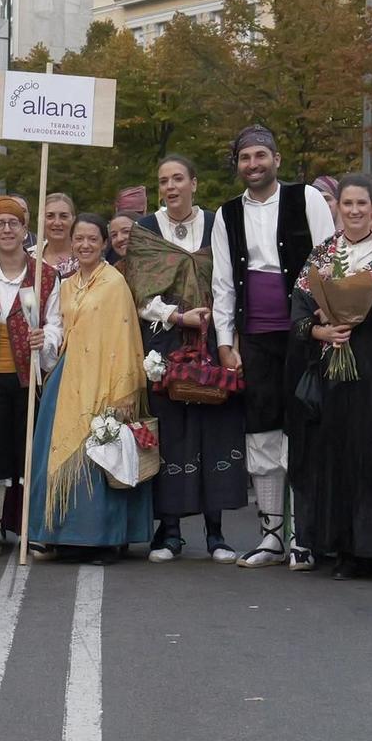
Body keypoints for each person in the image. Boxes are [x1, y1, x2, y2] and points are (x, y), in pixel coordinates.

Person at [212, 126, 337, 569]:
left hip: (305, 334)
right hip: (256, 337)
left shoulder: (308, 199)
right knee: (261, 430)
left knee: (302, 429)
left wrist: (325, 323)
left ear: (276, 159)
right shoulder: (226, 214)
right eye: (245, 158)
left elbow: (329, 261)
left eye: (260, 156)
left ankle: (304, 536)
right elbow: (223, 283)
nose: (253, 164)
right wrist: (225, 341)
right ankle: (271, 536)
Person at [286, 175, 372, 581]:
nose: (355, 210)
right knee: (339, 453)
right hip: (335, 365)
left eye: (362, 203)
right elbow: (299, 309)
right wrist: (320, 329)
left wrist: (361, 311)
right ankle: (346, 549)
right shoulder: (324, 253)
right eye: (348, 203)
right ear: (338, 208)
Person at [126, 155, 246, 563]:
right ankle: (170, 532)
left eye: (178, 179)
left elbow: (231, 282)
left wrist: (224, 332)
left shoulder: (218, 225)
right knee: (171, 431)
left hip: (213, 337)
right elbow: (139, 293)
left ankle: (216, 533)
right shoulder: (145, 230)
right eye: (164, 181)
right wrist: (177, 316)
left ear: (194, 183)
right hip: (165, 338)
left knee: (214, 427)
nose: (171, 187)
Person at [28, 214, 144, 561]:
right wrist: (43, 341)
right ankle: (59, 534)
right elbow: (61, 332)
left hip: (104, 377)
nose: (85, 245)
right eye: (79, 238)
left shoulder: (114, 284)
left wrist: (122, 391)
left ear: (104, 243)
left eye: (93, 239)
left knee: (99, 454)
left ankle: (101, 538)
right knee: (54, 452)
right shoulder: (66, 285)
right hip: (67, 376)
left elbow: (124, 336)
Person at [0, 196, 62, 560]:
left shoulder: (46, 275)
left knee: (29, 453)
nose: (7, 230)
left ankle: (31, 527)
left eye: (13, 223)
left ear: (25, 230)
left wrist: (45, 339)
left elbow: (56, 323)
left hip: (30, 377)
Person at [35, 193, 79, 279]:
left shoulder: (86, 257)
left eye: (63, 216)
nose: (57, 223)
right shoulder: (28, 257)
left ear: (73, 220)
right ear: (40, 220)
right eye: (50, 216)